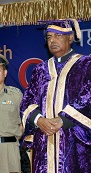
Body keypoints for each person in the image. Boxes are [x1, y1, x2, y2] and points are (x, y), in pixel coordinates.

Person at [20, 19, 91, 173]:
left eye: (58, 36)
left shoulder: (86, 64)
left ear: (70, 37)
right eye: (49, 37)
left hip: (74, 141)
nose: (52, 40)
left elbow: (88, 97)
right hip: (44, 140)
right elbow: (27, 101)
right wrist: (39, 120)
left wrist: (63, 119)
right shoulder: (40, 69)